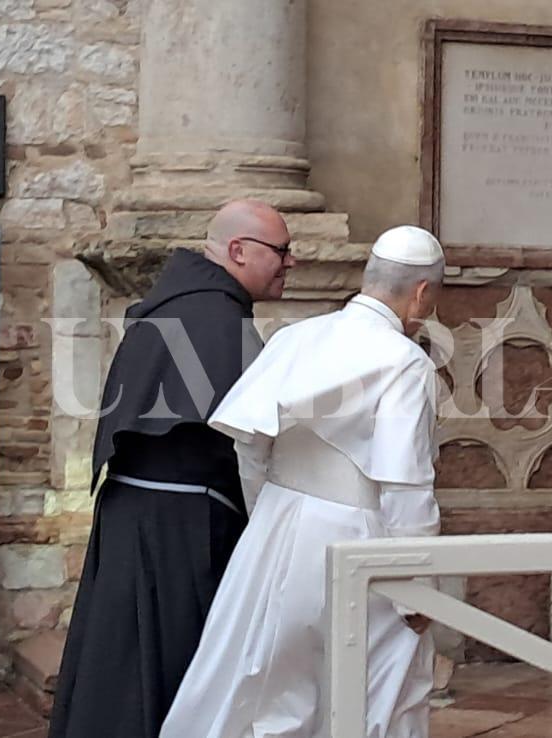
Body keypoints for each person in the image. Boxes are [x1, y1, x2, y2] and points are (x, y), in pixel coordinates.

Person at [158, 225, 446, 738]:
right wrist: (417, 589)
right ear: (422, 293)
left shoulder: (294, 338)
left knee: (265, 684)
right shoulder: (406, 362)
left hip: (275, 525)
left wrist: (265, 515)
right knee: (371, 689)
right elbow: (405, 485)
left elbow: (248, 445)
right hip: (357, 538)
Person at [48, 199, 295, 738]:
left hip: (138, 510)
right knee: (169, 672)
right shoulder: (218, 320)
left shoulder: (181, 304)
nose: (290, 263)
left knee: (116, 666)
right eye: (281, 250)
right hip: (179, 527)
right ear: (238, 250)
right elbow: (246, 444)